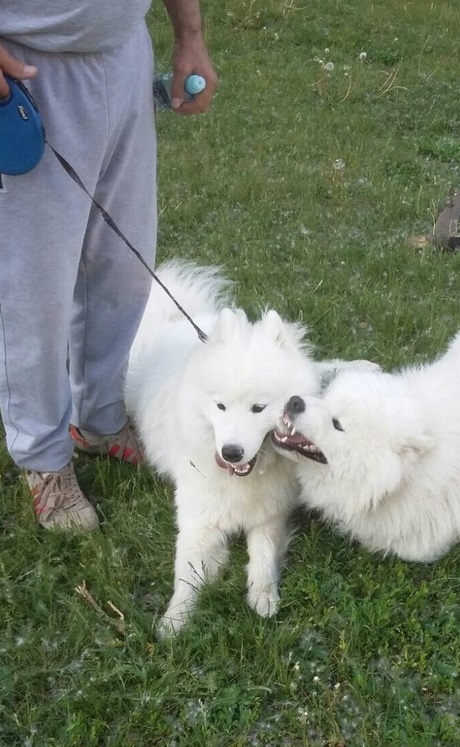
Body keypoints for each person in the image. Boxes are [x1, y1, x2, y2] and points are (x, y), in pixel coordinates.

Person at [0, 1, 217, 531]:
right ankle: (43, 457)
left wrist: (189, 32)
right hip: (28, 65)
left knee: (121, 265)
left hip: (122, 54)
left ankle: (98, 418)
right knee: (34, 287)